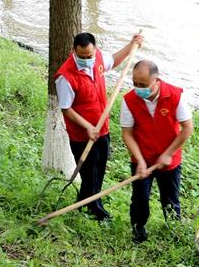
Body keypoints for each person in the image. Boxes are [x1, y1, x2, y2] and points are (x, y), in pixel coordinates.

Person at [55, 32, 143, 221]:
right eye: (82, 57)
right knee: (89, 173)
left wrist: (131, 45)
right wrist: (87, 126)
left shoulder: (98, 59)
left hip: (102, 129)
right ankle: (93, 207)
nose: (88, 60)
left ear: (94, 50)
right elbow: (66, 109)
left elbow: (114, 60)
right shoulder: (65, 77)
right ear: (73, 51)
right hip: (82, 135)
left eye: (90, 56)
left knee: (100, 167)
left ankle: (88, 199)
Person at [120, 60, 194, 243]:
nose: (138, 88)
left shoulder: (175, 96)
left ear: (156, 81)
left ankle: (175, 234)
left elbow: (187, 129)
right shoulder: (129, 100)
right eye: (135, 83)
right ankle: (138, 232)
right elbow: (127, 133)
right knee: (139, 199)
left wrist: (168, 153)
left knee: (170, 200)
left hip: (170, 160)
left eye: (143, 85)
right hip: (142, 159)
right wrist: (140, 160)